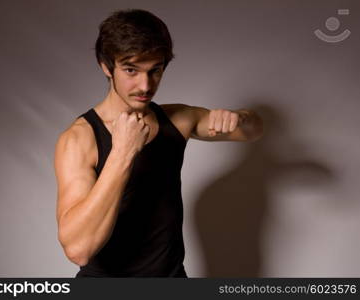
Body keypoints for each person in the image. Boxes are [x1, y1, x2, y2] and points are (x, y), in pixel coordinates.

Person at [54, 9, 264, 277]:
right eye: (131, 70)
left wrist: (239, 117)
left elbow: (253, 131)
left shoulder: (178, 119)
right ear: (106, 67)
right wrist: (123, 152)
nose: (145, 85)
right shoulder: (80, 139)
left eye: (155, 70)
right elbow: (78, 249)